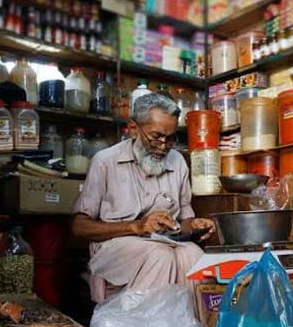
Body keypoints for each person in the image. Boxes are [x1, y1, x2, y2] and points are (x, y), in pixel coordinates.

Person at [71, 93, 216, 302]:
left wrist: (194, 224)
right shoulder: (105, 162)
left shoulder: (177, 162)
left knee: (194, 255)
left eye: (170, 138)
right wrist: (137, 226)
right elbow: (79, 226)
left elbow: (183, 223)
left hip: (164, 242)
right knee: (160, 256)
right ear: (133, 129)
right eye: (156, 136)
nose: (163, 146)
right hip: (115, 246)